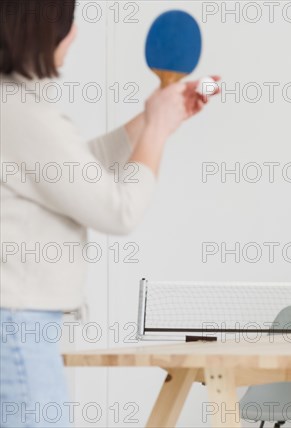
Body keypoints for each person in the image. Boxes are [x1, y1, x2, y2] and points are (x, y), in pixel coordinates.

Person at [0, 1, 219, 426]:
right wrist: (156, 129)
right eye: (68, 23)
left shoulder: (13, 106)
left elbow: (78, 167)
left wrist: (155, 118)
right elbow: (119, 210)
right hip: (18, 326)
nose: (75, 33)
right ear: (42, 31)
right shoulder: (23, 113)